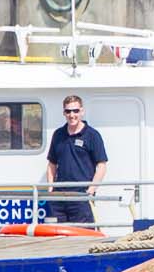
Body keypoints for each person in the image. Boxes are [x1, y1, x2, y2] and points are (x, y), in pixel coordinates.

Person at [44, 95, 108, 225]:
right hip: (59, 197)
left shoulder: (92, 135)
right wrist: (51, 189)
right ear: (64, 113)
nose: (72, 115)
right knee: (57, 237)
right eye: (68, 111)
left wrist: (91, 190)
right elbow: (52, 164)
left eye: (75, 111)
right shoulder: (58, 134)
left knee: (82, 236)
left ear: (82, 111)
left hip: (81, 196)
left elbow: (101, 165)